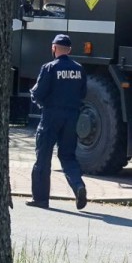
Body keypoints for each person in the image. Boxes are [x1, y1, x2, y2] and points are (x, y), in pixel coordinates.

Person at [28, 33, 88, 210]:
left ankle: (40, 198)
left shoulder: (49, 68)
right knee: (68, 156)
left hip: (51, 117)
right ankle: (78, 186)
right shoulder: (79, 69)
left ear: (54, 48)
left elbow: (38, 93)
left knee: (43, 157)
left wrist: (37, 99)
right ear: (69, 50)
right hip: (72, 117)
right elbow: (83, 93)